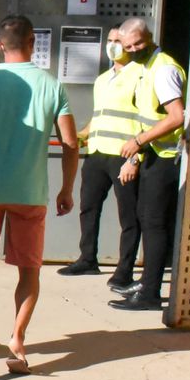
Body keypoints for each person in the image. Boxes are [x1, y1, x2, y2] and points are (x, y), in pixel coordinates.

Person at [0, 15, 78, 374]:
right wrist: (66, 188)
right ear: (33, 43)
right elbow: (71, 143)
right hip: (30, 191)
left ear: (0, 44)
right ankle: (17, 338)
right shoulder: (52, 86)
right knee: (29, 269)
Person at [109, 17, 187, 310]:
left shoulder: (163, 68)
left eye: (138, 43)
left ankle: (151, 291)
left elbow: (176, 116)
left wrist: (139, 142)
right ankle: (147, 280)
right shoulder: (144, 68)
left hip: (166, 155)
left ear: (150, 37)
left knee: (154, 223)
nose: (133, 49)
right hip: (152, 153)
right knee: (145, 218)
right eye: (128, 46)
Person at [59, 26, 141, 288]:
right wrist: (78, 137)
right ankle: (87, 259)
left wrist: (135, 158)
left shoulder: (140, 76)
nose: (113, 45)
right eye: (111, 40)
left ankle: (124, 268)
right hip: (96, 153)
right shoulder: (103, 79)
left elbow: (145, 120)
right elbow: (98, 117)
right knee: (88, 207)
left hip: (123, 154)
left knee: (128, 216)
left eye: (118, 41)